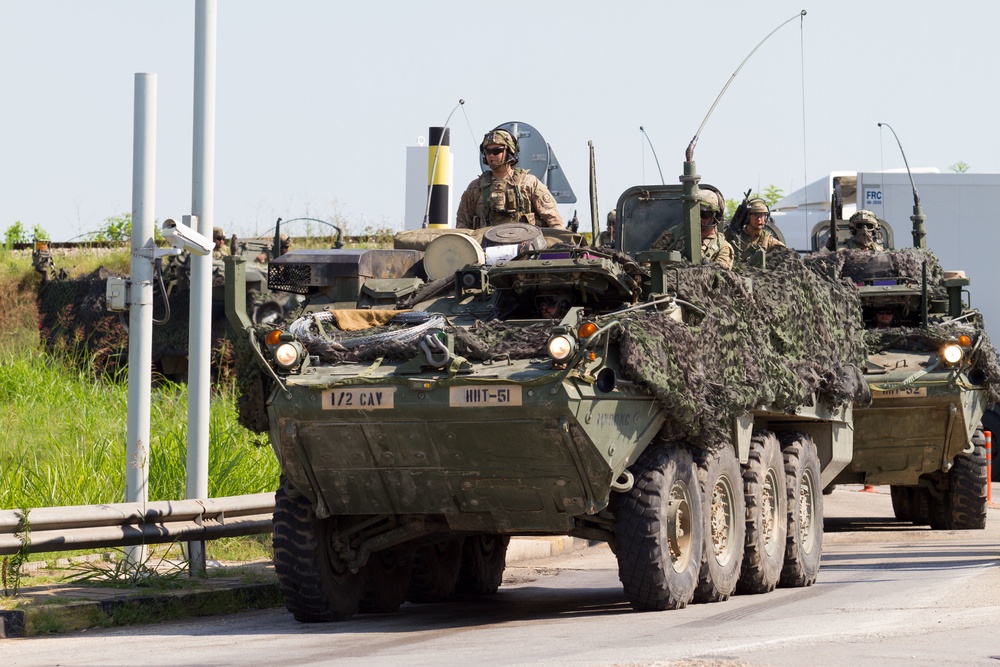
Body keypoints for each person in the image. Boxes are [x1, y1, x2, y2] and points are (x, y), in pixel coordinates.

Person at [456, 129, 565, 230]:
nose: (491, 156)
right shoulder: (475, 188)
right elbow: (462, 225)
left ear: (509, 151)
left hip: (525, 248)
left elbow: (554, 221)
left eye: (496, 151)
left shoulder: (529, 184)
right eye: (488, 152)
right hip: (485, 248)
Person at [650, 189, 734, 269]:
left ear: (716, 216)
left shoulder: (723, 248)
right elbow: (651, 259)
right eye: (695, 213)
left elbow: (720, 277)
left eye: (705, 214)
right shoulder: (675, 233)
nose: (699, 218)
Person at [727, 198, 784, 264]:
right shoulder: (735, 237)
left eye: (762, 215)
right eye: (755, 215)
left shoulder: (768, 240)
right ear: (747, 217)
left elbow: (786, 253)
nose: (759, 219)